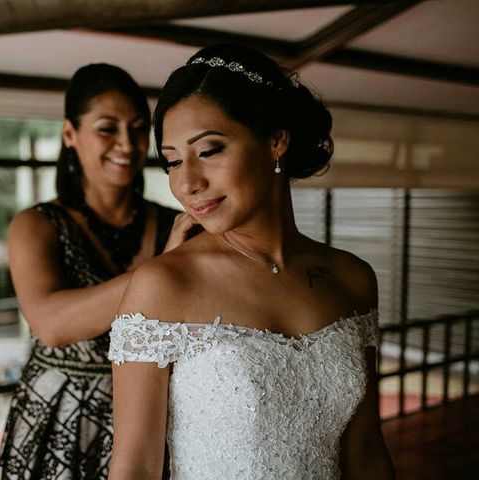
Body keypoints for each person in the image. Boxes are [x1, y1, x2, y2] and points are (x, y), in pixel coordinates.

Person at [107, 44, 396, 479]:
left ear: (276, 140)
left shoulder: (352, 279)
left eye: (208, 151)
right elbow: (134, 468)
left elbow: (367, 453)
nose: (188, 182)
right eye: (171, 161)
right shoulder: (164, 285)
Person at [0, 64, 192, 479]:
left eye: (138, 129)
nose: (127, 143)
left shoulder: (181, 227)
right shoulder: (37, 225)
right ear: (70, 134)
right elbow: (51, 324)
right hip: (59, 426)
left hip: (156, 425)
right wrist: (161, 270)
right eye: (108, 128)